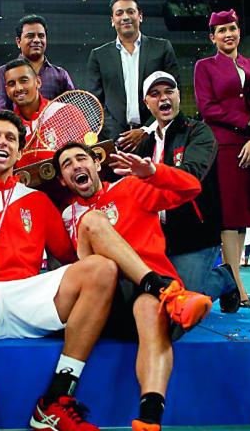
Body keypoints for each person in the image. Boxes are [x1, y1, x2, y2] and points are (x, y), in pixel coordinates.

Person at [0, 110, 117, 431]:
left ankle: (57, 401)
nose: (2, 142)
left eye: (10, 138)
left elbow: (71, 258)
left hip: (32, 299)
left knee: (101, 269)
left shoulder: (38, 201)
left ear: (19, 151)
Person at [54, 141, 214, 430]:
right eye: (68, 164)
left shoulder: (129, 187)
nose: (77, 165)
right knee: (92, 221)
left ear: (96, 164)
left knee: (150, 310)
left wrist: (154, 173)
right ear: (62, 180)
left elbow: (191, 189)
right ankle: (167, 291)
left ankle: (149, 418)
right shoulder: (66, 216)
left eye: (82, 158)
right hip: (103, 299)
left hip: (144, 296)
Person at [134, 71, 241, 311]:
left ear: (178, 96)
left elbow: (190, 175)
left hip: (195, 235)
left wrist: (153, 172)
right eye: (155, 94)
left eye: (169, 91)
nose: (164, 98)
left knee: (182, 300)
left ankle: (224, 278)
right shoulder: (146, 143)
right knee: (150, 296)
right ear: (147, 103)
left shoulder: (198, 132)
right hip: (157, 238)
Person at [193, 9, 250, 307]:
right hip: (222, 148)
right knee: (227, 219)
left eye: (232, 28)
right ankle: (236, 285)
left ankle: (236, 281)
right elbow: (208, 108)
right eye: (221, 31)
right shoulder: (204, 67)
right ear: (212, 37)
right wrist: (246, 124)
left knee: (243, 217)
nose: (228, 34)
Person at [87, 0, 179, 149]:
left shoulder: (162, 48)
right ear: (112, 20)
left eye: (131, 11)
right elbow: (95, 104)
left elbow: (174, 92)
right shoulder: (98, 55)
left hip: (156, 135)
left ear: (140, 16)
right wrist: (117, 136)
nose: (125, 17)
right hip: (116, 142)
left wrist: (146, 130)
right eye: (119, 13)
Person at [0, 14, 75, 111]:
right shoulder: (3, 73)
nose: (36, 40)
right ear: (18, 42)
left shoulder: (61, 75)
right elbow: (0, 111)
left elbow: (71, 112)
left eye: (41, 36)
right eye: (30, 36)